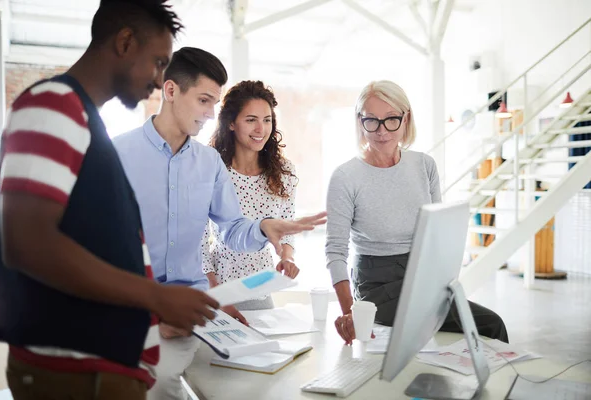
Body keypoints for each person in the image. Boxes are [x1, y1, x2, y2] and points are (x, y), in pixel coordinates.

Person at [0, 1, 220, 399]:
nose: (159, 79)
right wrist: (156, 296)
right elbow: (26, 243)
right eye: (157, 62)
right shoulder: (51, 106)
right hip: (74, 373)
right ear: (125, 42)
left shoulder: (85, 122)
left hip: (97, 372)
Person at [113, 48, 325, 400]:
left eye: (215, 103)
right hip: (138, 308)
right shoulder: (117, 155)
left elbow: (232, 229)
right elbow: (100, 249)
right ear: (170, 91)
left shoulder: (208, 162)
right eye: (204, 100)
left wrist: (262, 228)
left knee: (262, 379)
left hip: (198, 308)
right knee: (159, 381)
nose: (211, 113)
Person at [326, 80, 509, 346]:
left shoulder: (424, 165)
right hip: (377, 284)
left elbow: (439, 231)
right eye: (371, 121)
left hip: (422, 276)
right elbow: (335, 252)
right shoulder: (345, 177)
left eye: (391, 119)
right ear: (359, 121)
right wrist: (350, 311)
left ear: (406, 118)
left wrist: (444, 280)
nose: (381, 131)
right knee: (422, 335)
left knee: (491, 324)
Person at [203, 80, 300, 317]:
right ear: (232, 123)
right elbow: (200, 245)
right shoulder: (212, 170)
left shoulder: (284, 172)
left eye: (267, 120)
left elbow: (286, 225)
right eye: (251, 120)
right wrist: (217, 297)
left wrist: (287, 257)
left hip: (261, 292)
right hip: (218, 292)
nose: (261, 129)